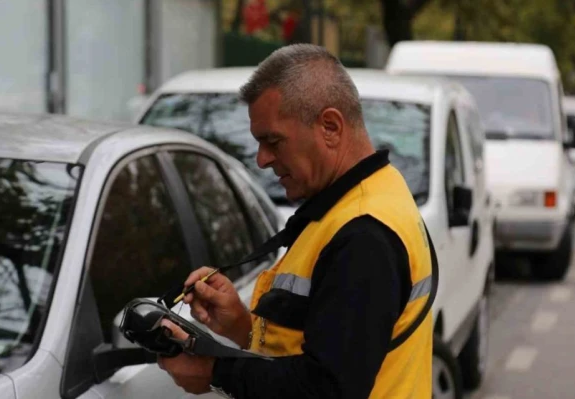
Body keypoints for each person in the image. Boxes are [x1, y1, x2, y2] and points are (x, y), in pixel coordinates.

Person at [157, 43, 434, 398]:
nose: (261, 159)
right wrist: (243, 327)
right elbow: (318, 344)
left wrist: (214, 370)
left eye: (273, 141)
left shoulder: (363, 236)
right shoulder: (373, 194)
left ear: (330, 127)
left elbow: (327, 388)